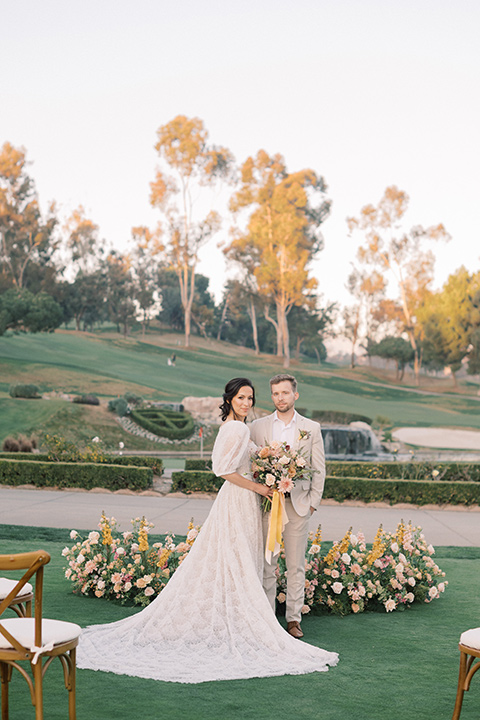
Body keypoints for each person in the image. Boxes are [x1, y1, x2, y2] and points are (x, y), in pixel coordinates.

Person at [77, 378, 337, 683]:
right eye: (241, 397)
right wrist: (258, 485)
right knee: (245, 560)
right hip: (244, 498)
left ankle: (272, 619)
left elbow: (294, 463)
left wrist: (282, 474)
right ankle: (255, 621)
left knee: (242, 559)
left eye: (250, 398)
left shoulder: (241, 426)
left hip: (256, 501)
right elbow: (222, 469)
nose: (246, 403)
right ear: (229, 399)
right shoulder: (242, 427)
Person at [249, 374, 325, 640]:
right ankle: (268, 618)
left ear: (295, 395)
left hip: (298, 507)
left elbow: (319, 468)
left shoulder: (311, 428)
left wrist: (312, 503)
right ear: (272, 397)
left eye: (285, 393)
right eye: (275, 393)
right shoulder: (257, 426)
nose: (280, 398)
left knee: (295, 565)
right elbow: (251, 463)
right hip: (268, 505)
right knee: (268, 564)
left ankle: (293, 619)